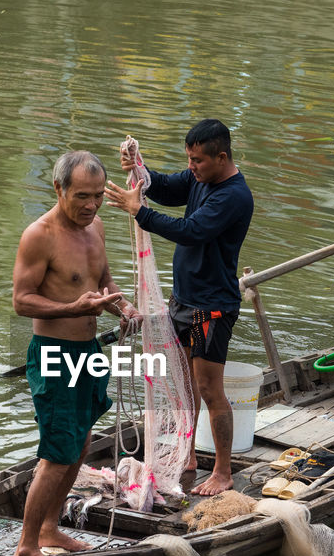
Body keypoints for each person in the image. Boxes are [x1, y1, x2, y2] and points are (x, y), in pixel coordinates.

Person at [103, 119, 254, 496]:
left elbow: (192, 230)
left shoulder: (233, 195)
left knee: (208, 387)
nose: (191, 167)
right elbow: (168, 187)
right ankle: (187, 454)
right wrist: (140, 169)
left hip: (210, 307)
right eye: (188, 159)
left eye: (198, 160)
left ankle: (222, 471)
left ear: (222, 157)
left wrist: (139, 211)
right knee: (184, 383)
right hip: (183, 300)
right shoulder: (200, 179)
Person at [11, 150, 141, 556]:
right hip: (54, 352)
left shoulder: (96, 226)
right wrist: (71, 309)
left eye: (99, 195)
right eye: (82, 196)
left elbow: (101, 281)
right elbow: (21, 301)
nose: (91, 205)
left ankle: (50, 528)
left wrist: (125, 310)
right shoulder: (39, 235)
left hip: (88, 351)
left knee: (81, 443)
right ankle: (26, 548)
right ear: (59, 188)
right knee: (57, 453)